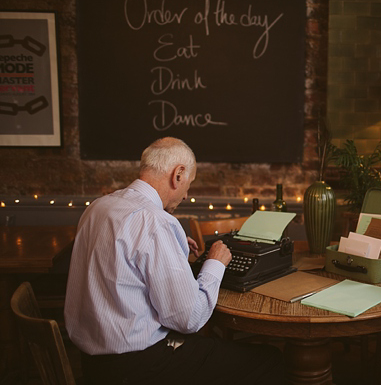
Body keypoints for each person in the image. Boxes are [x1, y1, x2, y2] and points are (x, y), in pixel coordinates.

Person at [64, 137, 285, 385]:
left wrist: (172, 247)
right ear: (177, 174)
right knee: (270, 359)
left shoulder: (98, 207)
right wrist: (216, 263)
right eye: (188, 184)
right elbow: (189, 319)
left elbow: (122, 260)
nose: (186, 194)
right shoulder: (155, 222)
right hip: (139, 368)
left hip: (93, 364)